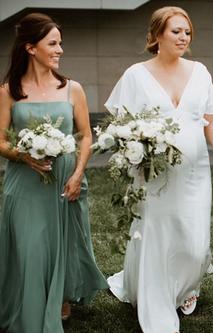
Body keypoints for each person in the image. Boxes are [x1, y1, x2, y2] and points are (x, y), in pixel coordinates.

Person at [105, 7, 213, 333]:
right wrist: (134, 149)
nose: (183, 37)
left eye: (187, 32)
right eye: (176, 31)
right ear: (156, 36)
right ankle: (158, 300)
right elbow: (120, 126)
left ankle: (185, 286)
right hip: (153, 175)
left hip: (194, 175)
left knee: (195, 243)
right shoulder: (136, 75)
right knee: (157, 238)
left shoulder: (200, 72)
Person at [0, 13, 108, 333]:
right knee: (30, 246)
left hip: (64, 178)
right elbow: (0, 139)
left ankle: (60, 294)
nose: (60, 49)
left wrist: (77, 175)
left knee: (62, 242)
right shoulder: (8, 91)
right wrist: (22, 155)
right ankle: (29, 305)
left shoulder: (72, 89)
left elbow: (86, 136)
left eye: (61, 43)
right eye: (53, 43)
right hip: (24, 181)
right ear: (31, 48)